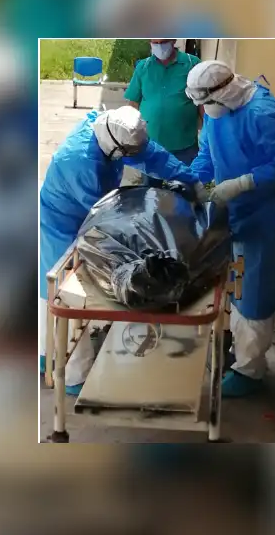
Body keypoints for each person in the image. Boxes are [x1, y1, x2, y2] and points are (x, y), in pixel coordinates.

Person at [38, 106, 206, 395]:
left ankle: (51, 350)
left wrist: (192, 181)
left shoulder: (117, 129)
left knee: (75, 289)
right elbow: (103, 216)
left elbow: (155, 157)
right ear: (115, 146)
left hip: (94, 204)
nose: (133, 155)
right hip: (62, 220)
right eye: (127, 153)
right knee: (62, 293)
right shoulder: (78, 163)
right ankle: (72, 373)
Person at [184, 60, 275, 398]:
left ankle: (250, 370)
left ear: (222, 93)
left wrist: (242, 183)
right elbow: (207, 154)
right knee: (238, 282)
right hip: (236, 210)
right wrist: (192, 182)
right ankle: (239, 343)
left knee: (253, 293)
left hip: (268, 213)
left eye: (206, 104)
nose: (205, 111)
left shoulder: (263, 114)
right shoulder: (217, 111)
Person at [124, 39, 202, 165]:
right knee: (150, 178)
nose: (160, 46)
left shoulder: (192, 64)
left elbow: (203, 103)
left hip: (185, 145)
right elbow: (133, 104)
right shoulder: (143, 67)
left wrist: (206, 134)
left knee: (187, 177)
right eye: (155, 43)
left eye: (164, 42)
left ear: (173, 40)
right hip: (150, 146)